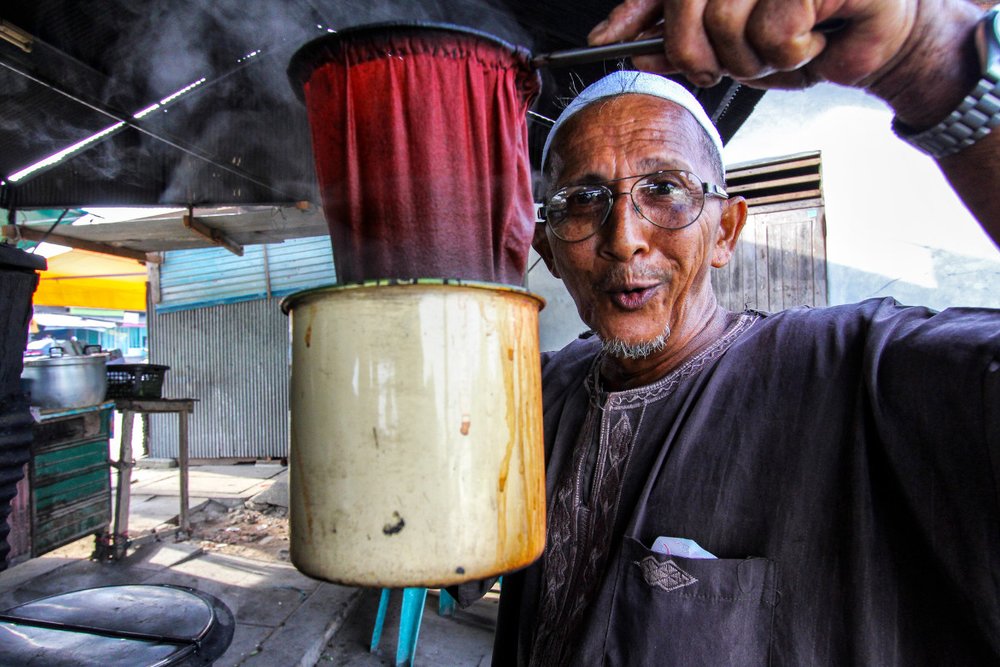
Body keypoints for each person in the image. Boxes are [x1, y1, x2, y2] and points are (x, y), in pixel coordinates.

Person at [457, 0, 1000, 664]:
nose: (625, 238)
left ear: (727, 231)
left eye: (665, 188)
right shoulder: (536, 391)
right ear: (547, 243)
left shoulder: (858, 375)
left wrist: (926, 60)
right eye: (583, 200)